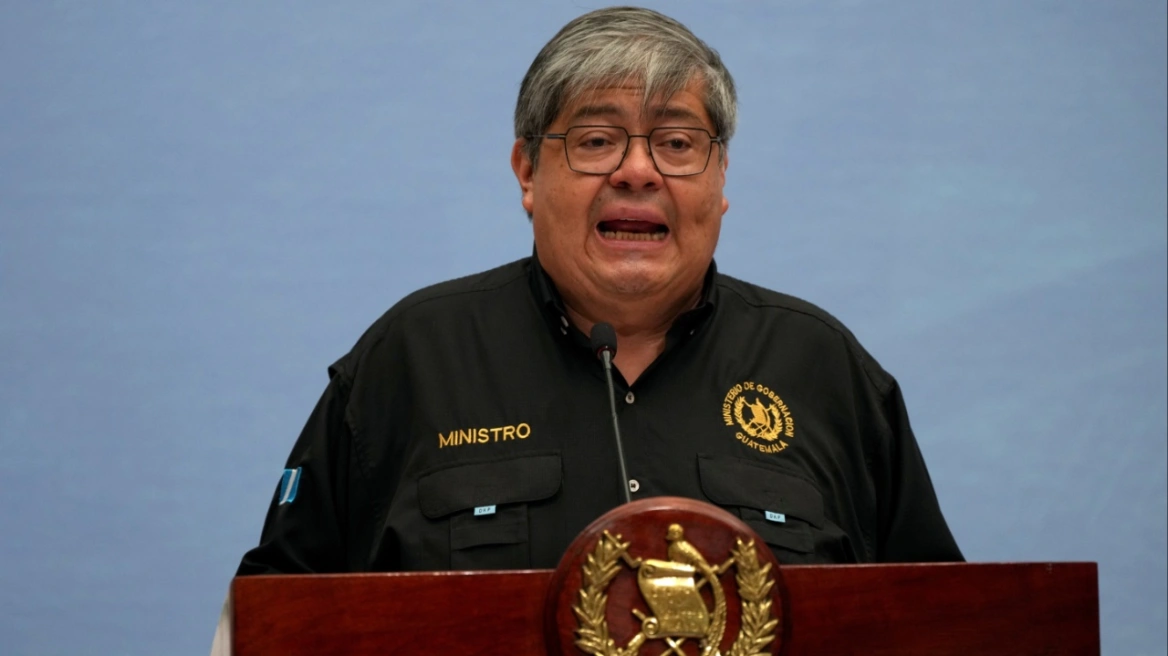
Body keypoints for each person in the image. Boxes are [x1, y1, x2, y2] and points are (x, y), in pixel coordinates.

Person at [236, 3, 961, 578]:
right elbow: (275, 617)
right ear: (527, 172)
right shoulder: (413, 359)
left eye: (676, 144)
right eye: (595, 141)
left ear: (721, 178)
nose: (637, 172)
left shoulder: (823, 368)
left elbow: (941, 620)